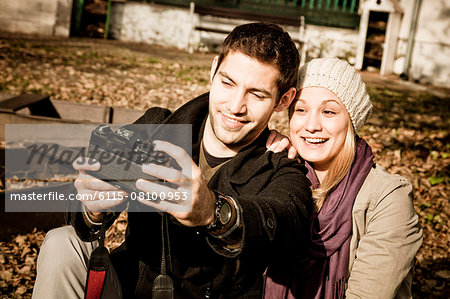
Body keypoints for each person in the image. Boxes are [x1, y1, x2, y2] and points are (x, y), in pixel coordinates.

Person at [32, 22, 313, 298]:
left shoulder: (282, 166)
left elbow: (283, 224)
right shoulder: (155, 128)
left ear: (283, 100)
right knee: (62, 243)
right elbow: (81, 210)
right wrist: (92, 209)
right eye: (228, 82)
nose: (235, 106)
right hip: (130, 288)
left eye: (257, 94)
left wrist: (213, 212)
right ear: (213, 69)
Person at [264, 58, 422, 298]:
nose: (312, 125)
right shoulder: (279, 174)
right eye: (301, 110)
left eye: (328, 111)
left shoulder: (388, 198)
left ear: (351, 121)